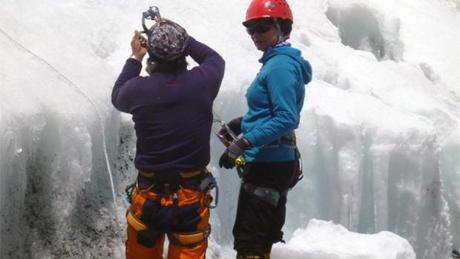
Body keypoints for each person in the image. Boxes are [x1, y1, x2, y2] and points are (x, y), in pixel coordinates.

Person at [112, 18, 225, 259]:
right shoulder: (202, 82)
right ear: (183, 53)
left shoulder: (138, 90)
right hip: (191, 199)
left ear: (152, 57)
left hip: (149, 197)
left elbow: (117, 95)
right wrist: (182, 36)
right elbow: (215, 59)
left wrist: (135, 58)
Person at [218, 0, 312, 258]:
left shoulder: (280, 65)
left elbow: (287, 117)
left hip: (268, 165)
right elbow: (272, 111)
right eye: (251, 29)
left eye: (262, 28)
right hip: (274, 161)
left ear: (281, 27)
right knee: (260, 239)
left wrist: (244, 141)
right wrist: (243, 123)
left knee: (251, 242)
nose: (256, 35)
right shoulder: (276, 62)